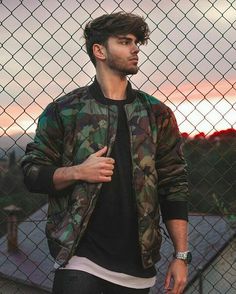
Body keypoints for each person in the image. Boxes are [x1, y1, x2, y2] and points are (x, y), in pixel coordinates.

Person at [21, 12, 190, 294]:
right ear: (99, 50)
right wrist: (78, 172)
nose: (135, 49)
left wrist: (181, 255)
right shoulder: (65, 111)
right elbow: (31, 172)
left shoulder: (157, 114)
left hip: (138, 265)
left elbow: (174, 184)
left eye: (136, 42)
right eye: (125, 41)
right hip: (80, 258)